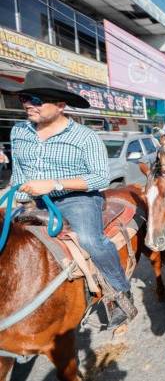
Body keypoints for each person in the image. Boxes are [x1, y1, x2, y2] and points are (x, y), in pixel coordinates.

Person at [2, 70, 136, 328]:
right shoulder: (19, 132)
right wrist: (12, 197)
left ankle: (119, 291)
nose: (28, 104)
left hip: (78, 199)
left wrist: (53, 184)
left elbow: (100, 178)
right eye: (24, 99)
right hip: (32, 200)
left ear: (61, 105)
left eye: (37, 100)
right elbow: (18, 175)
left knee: (90, 240)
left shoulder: (85, 137)